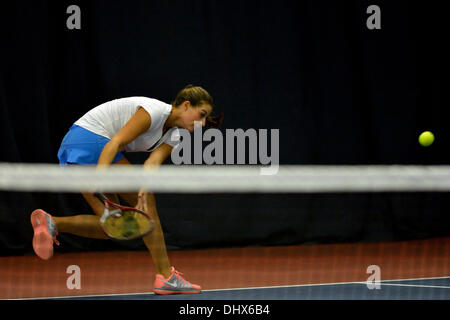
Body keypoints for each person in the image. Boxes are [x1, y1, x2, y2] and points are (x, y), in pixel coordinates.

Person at [30, 84, 223, 295]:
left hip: (79, 144)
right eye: (201, 115)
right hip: (89, 138)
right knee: (148, 207)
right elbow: (116, 142)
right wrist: (100, 177)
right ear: (186, 105)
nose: (204, 123)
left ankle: (52, 222)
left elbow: (152, 163)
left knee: (114, 226)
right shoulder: (153, 112)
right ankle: (166, 276)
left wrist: (143, 189)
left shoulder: (176, 136)